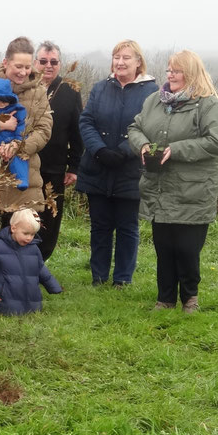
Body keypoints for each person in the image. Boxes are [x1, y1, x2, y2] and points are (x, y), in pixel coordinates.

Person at [128, 50, 218, 313]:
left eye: (177, 70)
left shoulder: (208, 105)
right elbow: (135, 128)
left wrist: (177, 149)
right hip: (159, 188)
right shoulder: (155, 101)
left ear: (192, 74)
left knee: (186, 249)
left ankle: (190, 299)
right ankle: (164, 299)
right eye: (169, 70)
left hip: (193, 192)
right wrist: (142, 145)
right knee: (164, 248)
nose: (170, 75)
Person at [76, 40, 157, 287]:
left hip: (130, 169)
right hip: (97, 167)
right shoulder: (101, 88)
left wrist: (124, 151)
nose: (120, 62)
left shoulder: (151, 92)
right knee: (99, 226)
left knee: (127, 227)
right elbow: (86, 121)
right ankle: (98, 277)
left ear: (138, 62)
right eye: (116, 57)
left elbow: (151, 127)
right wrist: (99, 150)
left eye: (126, 58)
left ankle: (122, 278)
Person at [0, 37, 53, 266]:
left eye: (28, 67)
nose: (23, 72)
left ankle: (16, 288)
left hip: (23, 175)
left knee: (22, 237)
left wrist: (19, 146)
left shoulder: (39, 93)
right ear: (6, 62)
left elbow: (44, 130)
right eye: (18, 66)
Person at [32, 41, 83, 261]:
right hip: (24, 165)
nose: (48, 66)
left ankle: (40, 262)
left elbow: (77, 132)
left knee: (51, 219)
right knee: (24, 216)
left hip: (55, 167)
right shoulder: (25, 87)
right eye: (43, 61)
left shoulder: (70, 91)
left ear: (60, 64)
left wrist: (74, 166)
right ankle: (19, 260)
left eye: (53, 62)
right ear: (35, 63)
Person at [0, 209, 63, 315]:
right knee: (10, 311)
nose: (29, 238)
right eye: (26, 233)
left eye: (32, 234)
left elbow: (40, 268)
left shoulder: (34, 249)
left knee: (32, 314)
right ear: (13, 228)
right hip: (6, 299)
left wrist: (53, 285)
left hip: (32, 300)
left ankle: (32, 311)